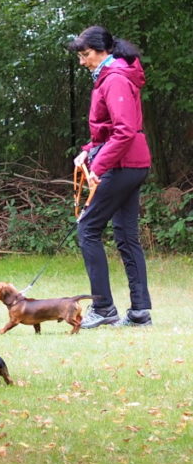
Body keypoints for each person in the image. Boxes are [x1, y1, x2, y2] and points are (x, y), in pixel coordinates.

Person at [67, 26, 153, 328]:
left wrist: (99, 167)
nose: (82, 61)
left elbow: (125, 131)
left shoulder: (115, 78)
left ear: (102, 51)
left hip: (124, 165)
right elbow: (109, 130)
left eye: (86, 54)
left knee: (88, 229)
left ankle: (103, 308)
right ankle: (140, 312)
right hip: (131, 162)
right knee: (126, 235)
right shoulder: (112, 75)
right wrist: (88, 151)